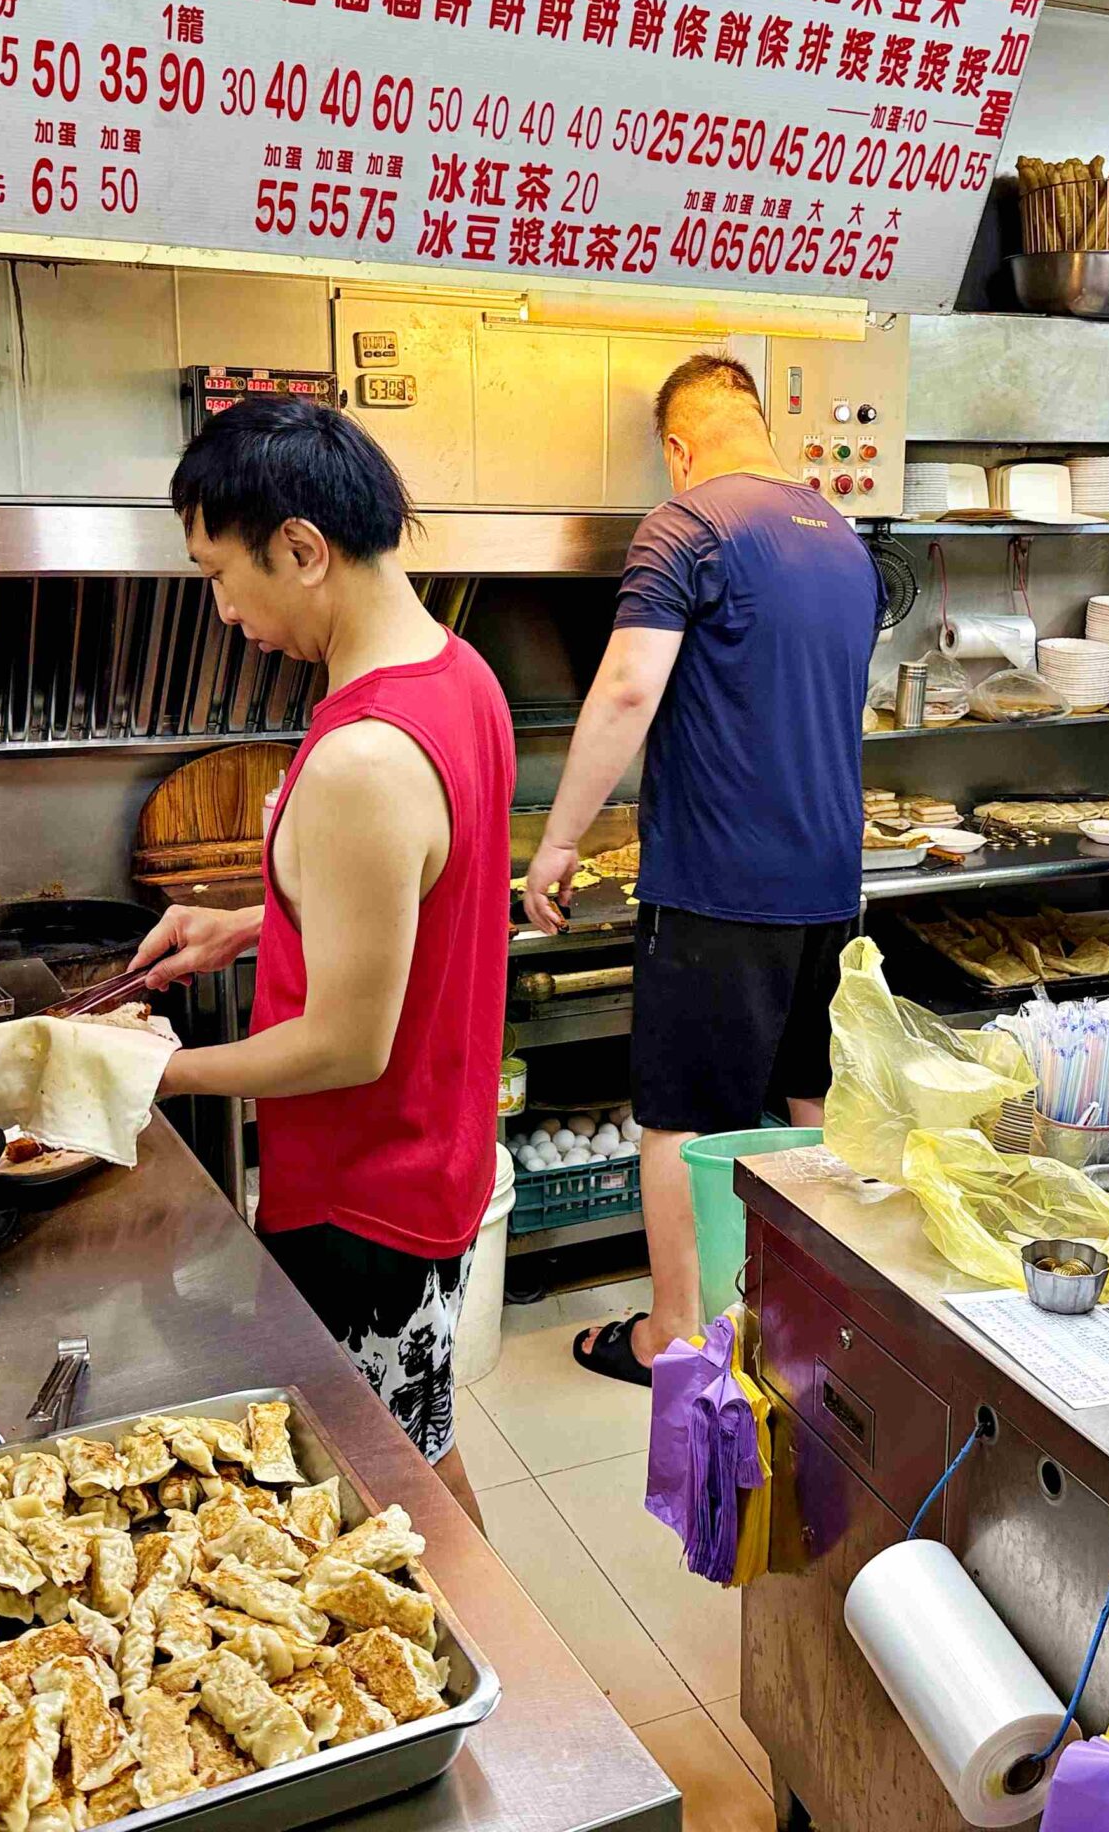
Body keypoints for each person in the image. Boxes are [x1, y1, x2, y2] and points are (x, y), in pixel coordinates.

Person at [130, 396, 514, 1525]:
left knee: (386, 1495)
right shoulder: (456, 676)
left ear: (301, 547)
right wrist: (250, 924)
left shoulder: (363, 752)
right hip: (430, 1158)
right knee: (418, 1444)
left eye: (217, 572)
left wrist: (143, 1075)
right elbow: (418, 899)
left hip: (366, 1198)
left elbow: (347, 1045)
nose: (221, 606)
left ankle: (509, 1692)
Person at [523, 354, 877, 1387]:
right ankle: (815, 1322)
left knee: (679, 1118)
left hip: (720, 879)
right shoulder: (843, 541)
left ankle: (673, 1337)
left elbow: (629, 688)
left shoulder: (685, 526)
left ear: (677, 448)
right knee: (808, 1099)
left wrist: (559, 841)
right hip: (826, 874)